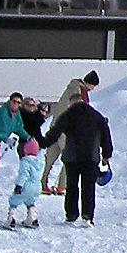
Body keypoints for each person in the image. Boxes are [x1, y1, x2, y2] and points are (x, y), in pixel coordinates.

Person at [48, 80, 112, 226]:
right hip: (91, 157)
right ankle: (87, 216)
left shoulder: (68, 116)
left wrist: (43, 143)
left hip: (72, 158)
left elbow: (55, 132)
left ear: (72, 104)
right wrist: (106, 155)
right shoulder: (97, 116)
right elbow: (105, 136)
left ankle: (71, 215)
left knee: (72, 186)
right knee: (88, 187)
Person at [42, 69, 100, 195]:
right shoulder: (78, 93)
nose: (93, 89)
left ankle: (42, 183)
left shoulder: (72, 88)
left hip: (56, 126)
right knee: (70, 157)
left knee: (50, 157)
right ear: (90, 83)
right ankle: (62, 186)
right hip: (67, 129)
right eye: (93, 85)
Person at [2, 135, 45, 229]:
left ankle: (11, 219)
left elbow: (23, 175)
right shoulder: (40, 163)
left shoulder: (25, 162)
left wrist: (19, 185)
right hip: (37, 186)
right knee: (30, 202)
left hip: (26, 185)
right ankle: (31, 218)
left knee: (14, 201)